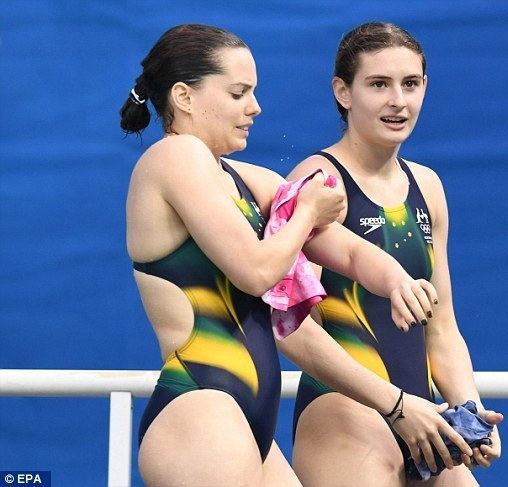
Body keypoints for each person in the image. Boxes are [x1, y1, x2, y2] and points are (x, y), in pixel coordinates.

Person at [121, 24, 475, 487]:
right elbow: (255, 272)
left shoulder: (249, 180)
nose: (255, 107)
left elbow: (348, 250)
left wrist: (396, 280)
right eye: (238, 93)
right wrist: (305, 212)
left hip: (249, 423)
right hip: (201, 406)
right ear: (185, 97)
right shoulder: (174, 157)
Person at [282, 22, 502, 486]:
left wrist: (470, 411)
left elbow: (442, 328)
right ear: (343, 91)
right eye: (378, 84)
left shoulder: (429, 186)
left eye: (410, 84)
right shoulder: (319, 181)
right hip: (344, 410)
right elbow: (297, 329)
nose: (397, 101)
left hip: (424, 415)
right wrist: (391, 403)